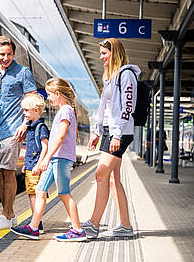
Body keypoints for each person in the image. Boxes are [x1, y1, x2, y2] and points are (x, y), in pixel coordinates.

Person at [11, 78, 86, 241]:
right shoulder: (63, 110)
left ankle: (78, 230)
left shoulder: (66, 110)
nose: (48, 98)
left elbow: (61, 136)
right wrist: (46, 159)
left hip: (60, 158)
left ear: (57, 94)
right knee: (39, 190)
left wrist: (47, 158)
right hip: (55, 159)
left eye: (49, 94)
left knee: (64, 193)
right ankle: (33, 228)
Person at [84, 38, 141, 238]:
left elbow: (128, 107)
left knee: (101, 175)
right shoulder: (109, 76)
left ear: (114, 52)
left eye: (104, 53)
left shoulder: (126, 75)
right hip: (110, 131)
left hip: (120, 132)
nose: (101, 57)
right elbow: (104, 108)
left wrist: (116, 134)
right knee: (113, 180)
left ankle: (93, 224)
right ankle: (126, 226)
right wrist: (98, 132)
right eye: (100, 53)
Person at [0, 36, 37, 230]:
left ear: (13, 54)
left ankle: (6, 215)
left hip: (14, 130)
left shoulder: (23, 73)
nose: (6, 58)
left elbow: (32, 101)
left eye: (10, 54)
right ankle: (10, 215)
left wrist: (25, 123)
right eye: (2, 54)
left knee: (7, 171)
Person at [20, 94, 49, 234]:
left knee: (34, 195)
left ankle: (36, 224)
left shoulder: (40, 127)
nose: (24, 113)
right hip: (30, 165)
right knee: (32, 194)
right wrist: (26, 164)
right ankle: (36, 222)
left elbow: (45, 147)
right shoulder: (31, 127)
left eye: (26, 110)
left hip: (35, 167)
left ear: (36, 111)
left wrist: (38, 164)